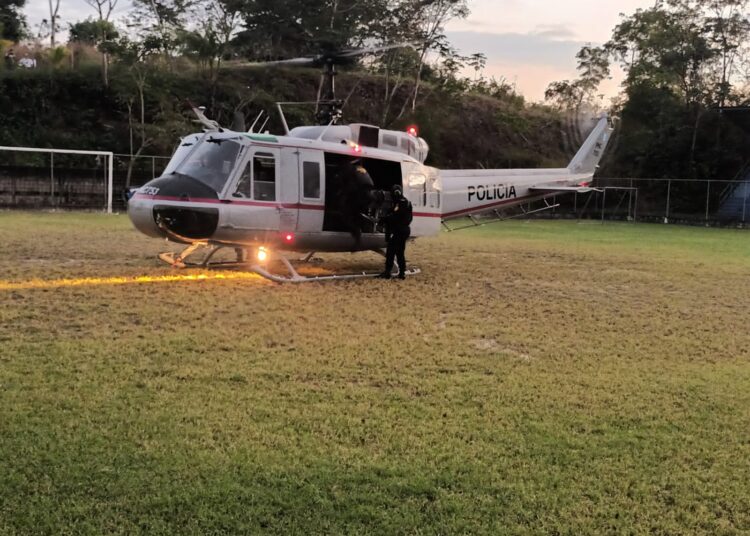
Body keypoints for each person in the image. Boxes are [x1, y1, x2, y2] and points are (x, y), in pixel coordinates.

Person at [378, 184, 412, 280]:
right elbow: (408, 218)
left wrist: (384, 219)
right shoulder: (406, 202)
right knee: (400, 252)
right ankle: (401, 273)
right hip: (404, 230)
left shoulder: (400, 203)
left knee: (391, 252)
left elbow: (395, 216)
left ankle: (388, 272)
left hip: (399, 230)